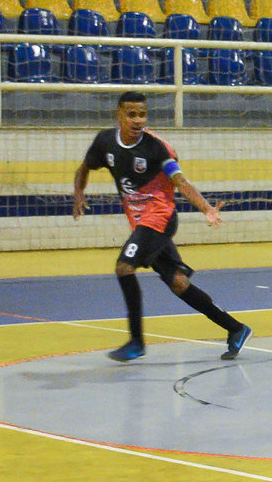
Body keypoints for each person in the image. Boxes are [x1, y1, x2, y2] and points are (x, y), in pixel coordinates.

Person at [70, 91, 250, 361]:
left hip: (159, 218)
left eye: (142, 114)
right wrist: (79, 193)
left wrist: (206, 208)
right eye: (132, 114)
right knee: (178, 284)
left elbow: (180, 182)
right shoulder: (105, 142)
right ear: (119, 115)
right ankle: (235, 328)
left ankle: (136, 342)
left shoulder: (156, 147)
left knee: (124, 267)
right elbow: (84, 168)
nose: (138, 120)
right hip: (141, 223)